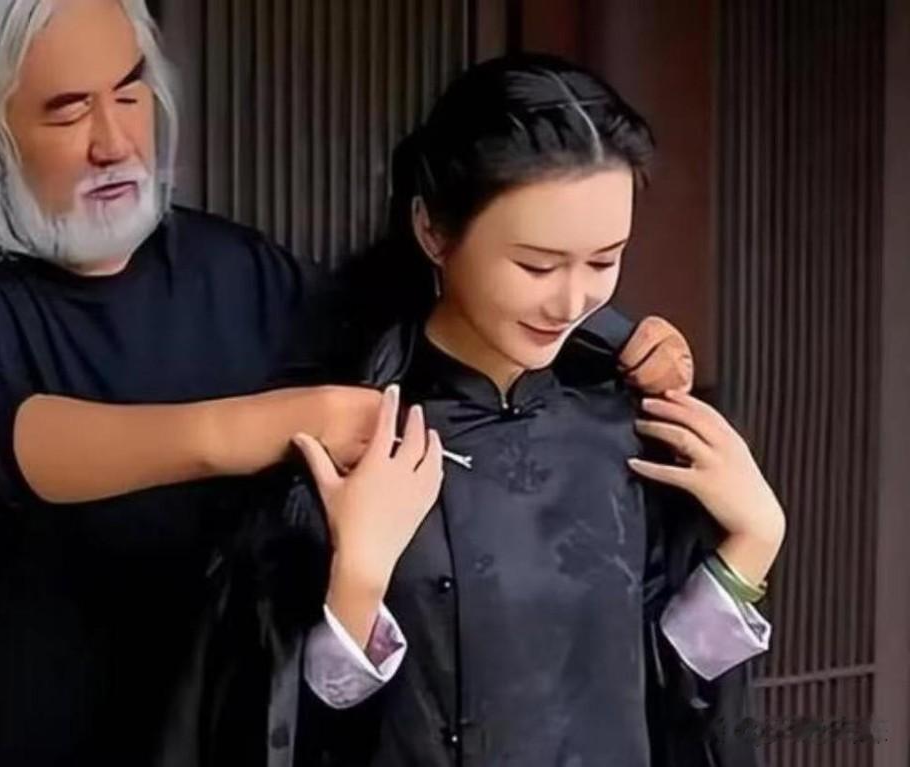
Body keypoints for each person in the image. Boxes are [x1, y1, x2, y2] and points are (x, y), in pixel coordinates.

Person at [0, 1, 700, 764]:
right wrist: (265, 423)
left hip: (198, 724)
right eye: (69, 110)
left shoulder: (237, 268)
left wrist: (615, 338)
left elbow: (436, 292)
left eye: (130, 92)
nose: (115, 140)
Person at [174, 54, 785, 767]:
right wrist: (358, 582)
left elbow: (664, 695)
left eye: (603, 261)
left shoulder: (631, 424)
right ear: (433, 231)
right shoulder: (352, 432)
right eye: (537, 266)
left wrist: (750, 546)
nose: (571, 301)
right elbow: (276, 729)